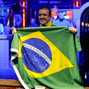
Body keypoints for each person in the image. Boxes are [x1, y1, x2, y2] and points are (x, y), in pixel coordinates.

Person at [11, 6, 77, 34]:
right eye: (40, 15)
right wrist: (18, 31)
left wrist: (74, 30)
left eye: (44, 15)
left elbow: (73, 30)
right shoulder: (53, 22)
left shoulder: (67, 22)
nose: (42, 17)